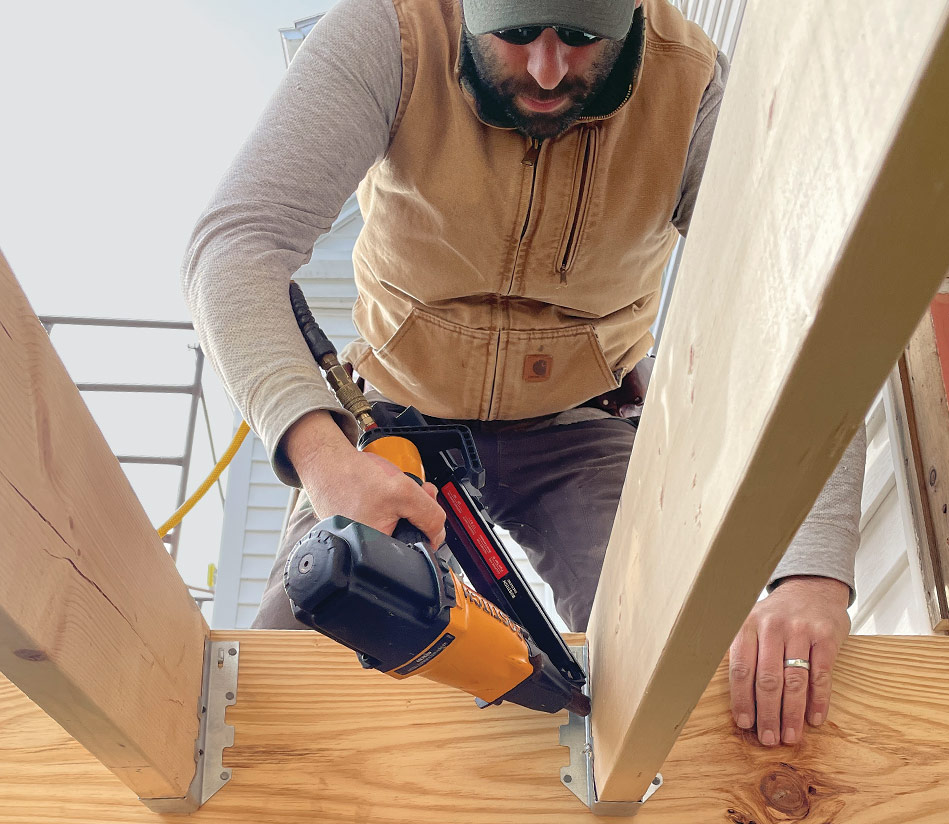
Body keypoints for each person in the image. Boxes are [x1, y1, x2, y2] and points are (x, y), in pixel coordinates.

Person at [183, 0, 865, 749]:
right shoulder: (392, 34)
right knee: (280, 694)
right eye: (514, 35)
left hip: (582, 424)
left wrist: (810, 579)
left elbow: (802, 308)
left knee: (686, 673)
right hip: (396, 419)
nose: (547, 71)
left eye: (580, 38)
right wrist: (324, 461)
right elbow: (235, 247)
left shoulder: (690, 86)